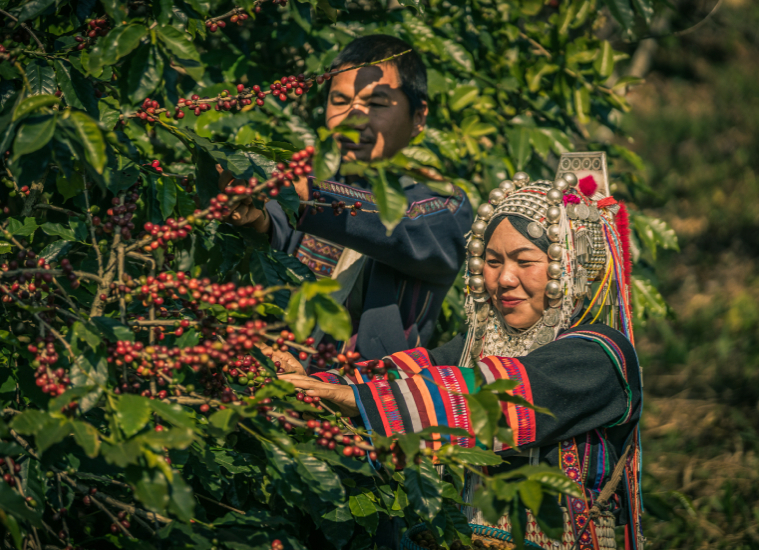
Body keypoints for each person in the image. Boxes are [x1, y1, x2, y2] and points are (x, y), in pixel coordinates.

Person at [276, 153, 645, 550]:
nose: (504, 278)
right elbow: (408, 372)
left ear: (571, 266)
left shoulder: (600, 356)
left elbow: (499, 396)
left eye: (525, 261)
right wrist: (314, 385)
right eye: (491, 261)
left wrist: (360, 399)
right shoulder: (482, 344)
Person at [222, 34, 473, 362]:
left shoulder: (445, 205)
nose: (353, 119)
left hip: (367, 402)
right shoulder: (311, 184)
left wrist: (304, 194)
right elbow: (277, 228)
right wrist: (255, 217)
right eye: (340, 101)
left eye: (377, 103)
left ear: (419, 117)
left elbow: (403, 229)